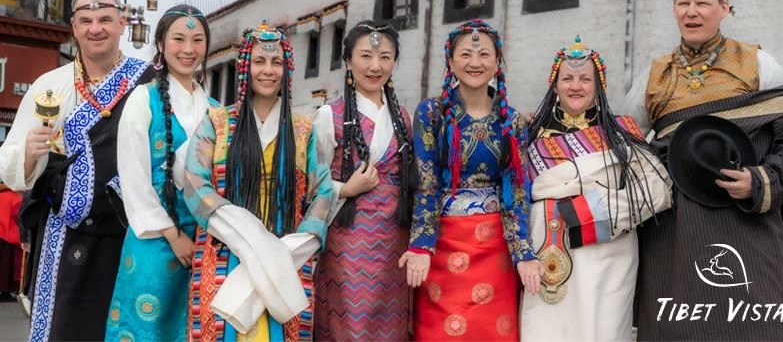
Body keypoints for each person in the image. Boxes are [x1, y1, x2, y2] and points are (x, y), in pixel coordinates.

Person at [622, 0, 783, 340]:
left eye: (702, 3)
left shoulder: (757, 64)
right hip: (675, 231)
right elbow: (625, 145)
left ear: (724, 8)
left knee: (749, 326)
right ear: (674, 10)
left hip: (744, 221)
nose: (692, 11)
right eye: (683, 3)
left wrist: (761, 180)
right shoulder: (654, 77)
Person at [0, 0, 153, 341]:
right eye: (85, 20)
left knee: (123, 330)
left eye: (104, 18)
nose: (95, 28)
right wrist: (28, 154)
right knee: (62, 330)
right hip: (62, 237)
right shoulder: (48, 86)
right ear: (73, 27)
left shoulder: (148, 84)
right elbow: (11, 158)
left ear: (122, 23)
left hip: (129, 235)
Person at [183, 20, 335, 341]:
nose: (268, 70)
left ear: (287, 69)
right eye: (259, 61)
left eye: (276, 62)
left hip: (286, 253)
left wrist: (298, 245)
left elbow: (322, 192)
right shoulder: (217, 122)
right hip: (226, 251)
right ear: (245, 68)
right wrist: (244, 235)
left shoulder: (304, 130)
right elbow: (195, 182)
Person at [398, 19, 543, 341]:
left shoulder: (513, 121)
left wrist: (524, 253)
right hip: (444, 243)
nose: (475, 63)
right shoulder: (432, 113)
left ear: (497, 62)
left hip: (494, 248)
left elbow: (517, 191)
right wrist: (422, 244)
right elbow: (426, 180)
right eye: (465, 55)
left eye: (484, 55)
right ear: (450, 62)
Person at [519, 36, 672, 341]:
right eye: (568, 78)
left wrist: (593, 210)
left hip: (607, 252)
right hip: (543, 248)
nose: (576, 86)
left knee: (601, 329)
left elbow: (657, 189)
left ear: (598, 84)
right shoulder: (529, 132)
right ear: (555, 84)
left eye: (585, 79)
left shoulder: (621, 130)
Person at [105, 6, 216, 341]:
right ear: (161, 44)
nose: (188, 49)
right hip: (154, 238)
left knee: (192, 328)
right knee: (145, 329)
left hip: (202, 241)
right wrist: (172, 234)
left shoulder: (214, 108)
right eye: (179, 39)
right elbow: (133, 177)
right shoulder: (143, 99)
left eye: (197, 40)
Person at [313, 21, 414, 341]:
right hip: (348, 239)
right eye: (366, 56)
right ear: (348, 61)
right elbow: (311, 182)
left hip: (395, 239)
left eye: (385, 57)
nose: (375, 66)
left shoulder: (404, 117)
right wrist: (346, 188)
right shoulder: (330, 114)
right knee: (349, 325)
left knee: (392, 326)